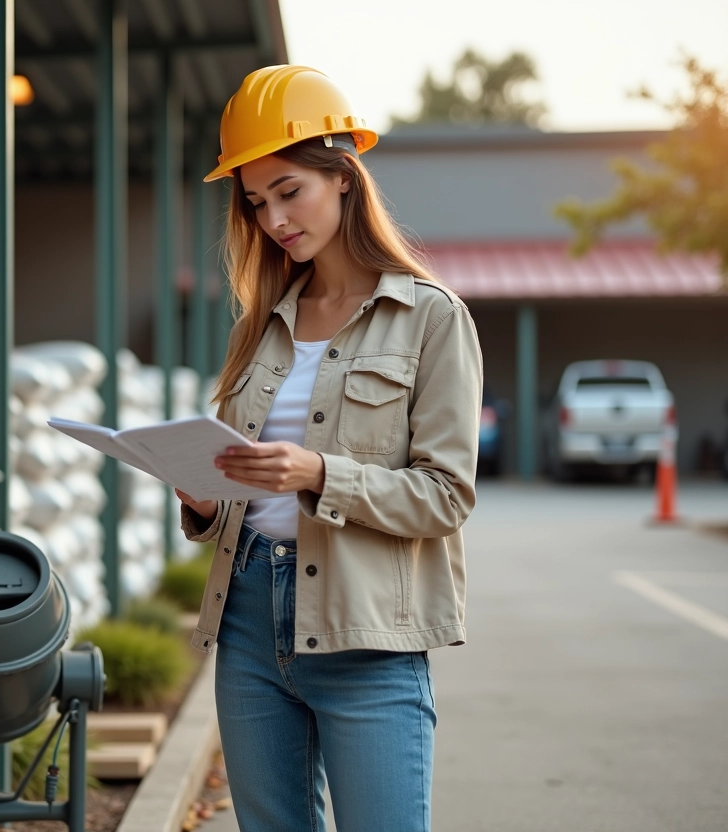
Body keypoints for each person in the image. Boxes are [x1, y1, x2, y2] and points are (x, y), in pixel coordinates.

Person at [177, 65, 483, 832]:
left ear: (342, 175)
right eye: (255, 202)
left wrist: (318, 474)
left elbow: (446, 496)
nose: (274, 218)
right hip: (247, 619)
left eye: (289, 190)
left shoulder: (431, 318)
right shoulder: (261, 322)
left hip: (365, 632)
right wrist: (207, 502)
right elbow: (244, 491)